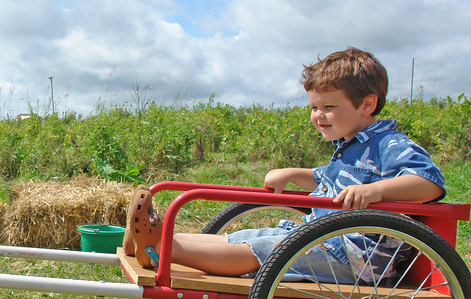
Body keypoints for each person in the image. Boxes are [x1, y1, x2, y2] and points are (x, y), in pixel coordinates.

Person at [126, 48, 445, 282]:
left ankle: (160, 248)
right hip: (319, 238)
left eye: (328, 106)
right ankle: (159, 235)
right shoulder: (350, 145)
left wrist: (378, 190)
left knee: (261, 250)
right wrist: (292, 174)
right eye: (314, 107)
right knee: (245, 237)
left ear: (367, 104)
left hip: (354, 257)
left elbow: (429, 182)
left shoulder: (389, 144)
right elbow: (326, 180)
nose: (318, 116)